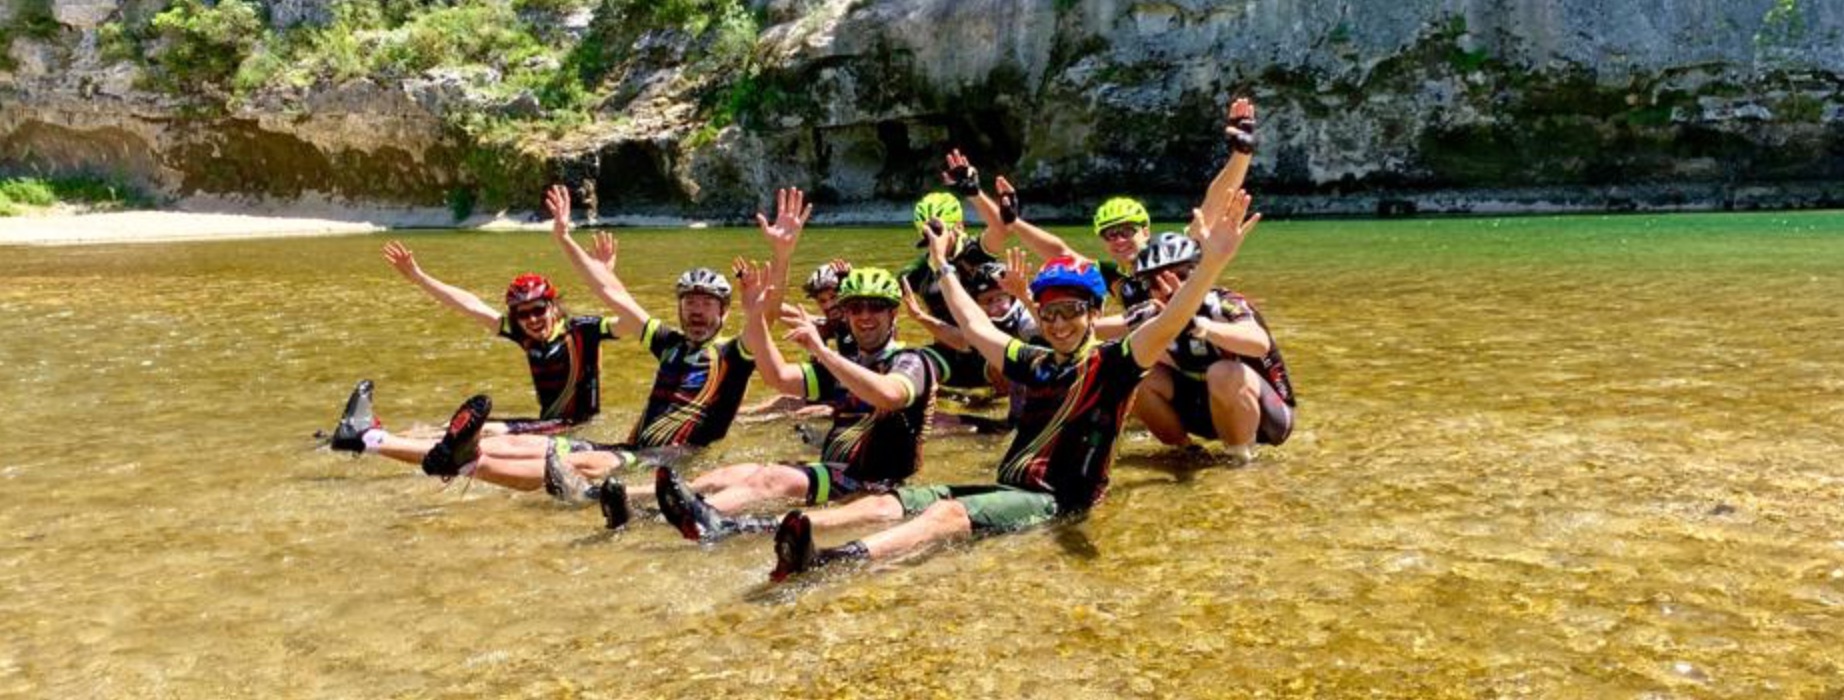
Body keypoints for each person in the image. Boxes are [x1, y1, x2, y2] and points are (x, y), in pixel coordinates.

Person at [765, 190, 1263, 582]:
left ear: (1094, 314)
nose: (1059, 323)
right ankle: (789, 530)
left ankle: (834, 561)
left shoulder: (1114, 365)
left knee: (947, 516)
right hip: (1010, 486)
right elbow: (974, 326)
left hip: (1055, 500)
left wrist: (1211, 265)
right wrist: (941, 265)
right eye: (1050, 313)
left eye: (1071, 312)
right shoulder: (1035, 361)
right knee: (889, 502)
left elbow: (1170, 320)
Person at [327, 186, 758, 519]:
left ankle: (394, 444)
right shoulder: (666, 344)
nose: (697, 311)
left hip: (642, 451)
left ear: (725, 311)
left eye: (707, 305)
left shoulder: (729, 356)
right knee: (503, 443)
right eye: (690, 303)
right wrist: (566, 239)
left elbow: (619, 303)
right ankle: (373, 438)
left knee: (536, 452)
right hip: (625, 447)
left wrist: (765, 288)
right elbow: (476, 305)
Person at [648, 188, 941, 542]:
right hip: (838, 471)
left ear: (894, 315)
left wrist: (822, 351)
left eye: (876, 307)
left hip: (874, 484)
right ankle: (650, 510)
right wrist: (758, 310)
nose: (865, 316)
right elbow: (778, 377)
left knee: (773, 478)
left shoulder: (913, 360)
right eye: (855, 308)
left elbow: (890, 395)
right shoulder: (846, 364)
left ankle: (703, 520)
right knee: (736, 473)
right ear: (845, 314)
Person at [326, 237, 617, 452]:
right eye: (522, 314)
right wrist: (418, 277)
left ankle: (368, 440)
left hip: (572, 427)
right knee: (452, 426)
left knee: (483, 430)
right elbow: (468, 304)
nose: (532, 319)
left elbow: (631, 321)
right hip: (547, 424)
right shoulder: (522, 334)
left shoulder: (583, 331)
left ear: (553, 306)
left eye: (538, 309)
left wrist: (606, 277)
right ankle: (358, 436)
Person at [983, 97, 1260, 311]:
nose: (1118, 240)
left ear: (1145, 230)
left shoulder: (1174, 253)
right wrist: (1013, 222)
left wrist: (1241, 154)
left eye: (1126, 231)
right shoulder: (1115, 278)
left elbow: (1212, 205)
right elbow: (1060, 252)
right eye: (1109, 235)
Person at [1127, 232, 1295, 462]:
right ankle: (1186, 453)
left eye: (1181, 276)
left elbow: (1259, 343)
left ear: (1200, 275)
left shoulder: (1222, 303)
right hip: (1206, 412)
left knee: (1223, 372)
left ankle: (1239, 459)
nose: (1169, 288)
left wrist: (1200, 326)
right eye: (1155, 281)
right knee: (1132, 370)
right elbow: (1096, 330)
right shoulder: (1153, 311)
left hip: (1269, 418)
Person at [739, 259, 855, 420]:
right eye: (822, 300)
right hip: (839, 386)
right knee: (781, 403)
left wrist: (852, 284)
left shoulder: (862, 321)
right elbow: (777, 310)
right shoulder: (827, 325)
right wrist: (760, 298)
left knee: (800, 411)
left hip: (860, 397)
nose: (828, 305)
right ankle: (724, 413)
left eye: (834, 297)